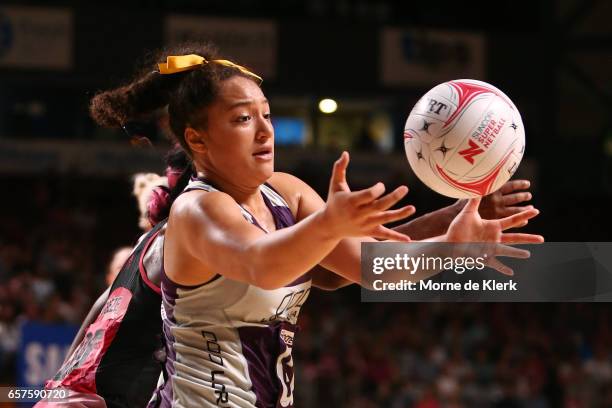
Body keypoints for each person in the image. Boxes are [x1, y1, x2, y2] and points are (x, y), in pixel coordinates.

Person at [60, 43, 543, 407]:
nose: (267, 131)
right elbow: (263, 263)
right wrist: (330, 222)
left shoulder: (287, 192)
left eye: (267, 115)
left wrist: (452, 239)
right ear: (197, 139)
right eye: (243, 119)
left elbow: (369, 268)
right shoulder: (196, 211)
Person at [35, 147, 191, 408]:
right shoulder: (176, 239)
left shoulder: (149, 239)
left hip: (73, 392)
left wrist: (61, 376)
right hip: (91, 397)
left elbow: (101, 303)